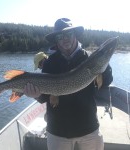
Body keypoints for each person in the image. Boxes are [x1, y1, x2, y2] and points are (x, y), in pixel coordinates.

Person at [24, 18, 113, 150]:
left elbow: (105, 82)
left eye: (68, 34)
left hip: (88, 128)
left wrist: (104, 65)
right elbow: (44, 97)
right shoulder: (49, 63)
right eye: (60, 36)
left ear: (75, 35)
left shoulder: (89, 58)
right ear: (56, 40)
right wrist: (35, 95)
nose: (65, 39)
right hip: (58, 131)